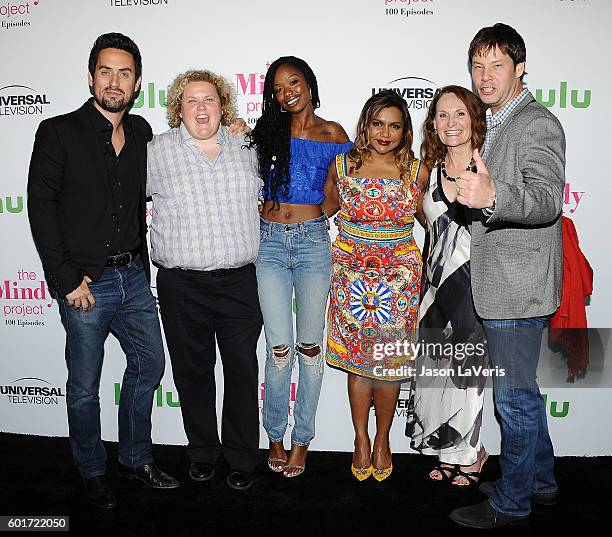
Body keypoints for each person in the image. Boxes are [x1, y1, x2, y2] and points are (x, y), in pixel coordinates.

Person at [27, 33, 179, 510]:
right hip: (84, 282)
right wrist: (66, 278)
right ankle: (92, 469)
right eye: (106, 72)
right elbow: (40, 208)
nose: (115, 82)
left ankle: (135, 458)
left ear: (137, 83)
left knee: (149, 364)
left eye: (125, 73)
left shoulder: (141, 134)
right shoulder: (58, 132)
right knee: (84, 386)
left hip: (133, 275)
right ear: (91, 76)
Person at [449, 23, 564, 528]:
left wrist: (492, 197)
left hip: (519, 288)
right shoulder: (495, 121)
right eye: (478, 65)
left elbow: (545, 200)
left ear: (520, 68)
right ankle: (539, 482)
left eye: (497, 64)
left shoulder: (536, 123)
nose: (485, 75)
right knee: (524, 394)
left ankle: (511, 503)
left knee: (513, 401)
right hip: (504, 284)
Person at [147, 70, 263, 491]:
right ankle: (201, 452)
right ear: (178, 108)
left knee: (241, 371)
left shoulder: (249, 147)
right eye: (191, 100)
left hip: (239, 283)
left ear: (224, 106)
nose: (201, 107)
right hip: (182, 285)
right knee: (192, 373)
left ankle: (241, 456)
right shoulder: (155, 153)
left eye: (209, 100)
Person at [248, 56, 352, 478]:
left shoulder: (334, 135)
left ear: (309, 82)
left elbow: (340, 192)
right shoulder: (267, 131)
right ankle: (273, 433)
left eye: (293, 81)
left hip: (312, 245)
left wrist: (312, 216)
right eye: (277, 87)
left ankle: (301, 439)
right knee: (278, 351)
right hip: (269, 244)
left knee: (311, 350)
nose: (287, 91)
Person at [324, 90, 428, 481]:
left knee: (387, 364)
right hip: (350, 276)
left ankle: (383, 439)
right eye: (378, 123)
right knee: (358, 363)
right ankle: (361, 439)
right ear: (366, 124)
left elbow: (431, 222)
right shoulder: (342, 165)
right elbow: (323, 210)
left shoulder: (417, 171)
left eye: (395, 125)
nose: (385, 133)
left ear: (405, 130)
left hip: (398, 279)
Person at [405, 85, 489, 487]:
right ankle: (444, 448)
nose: (451, 123)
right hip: (435, 285)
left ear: (474, 118)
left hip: (474, 285)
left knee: (467, 371)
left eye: (459, 114)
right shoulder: (428, 170)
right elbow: (430, 225)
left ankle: (470, 454)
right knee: (435, 370)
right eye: (442, 115)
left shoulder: (488, 165)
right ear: (433, 123)